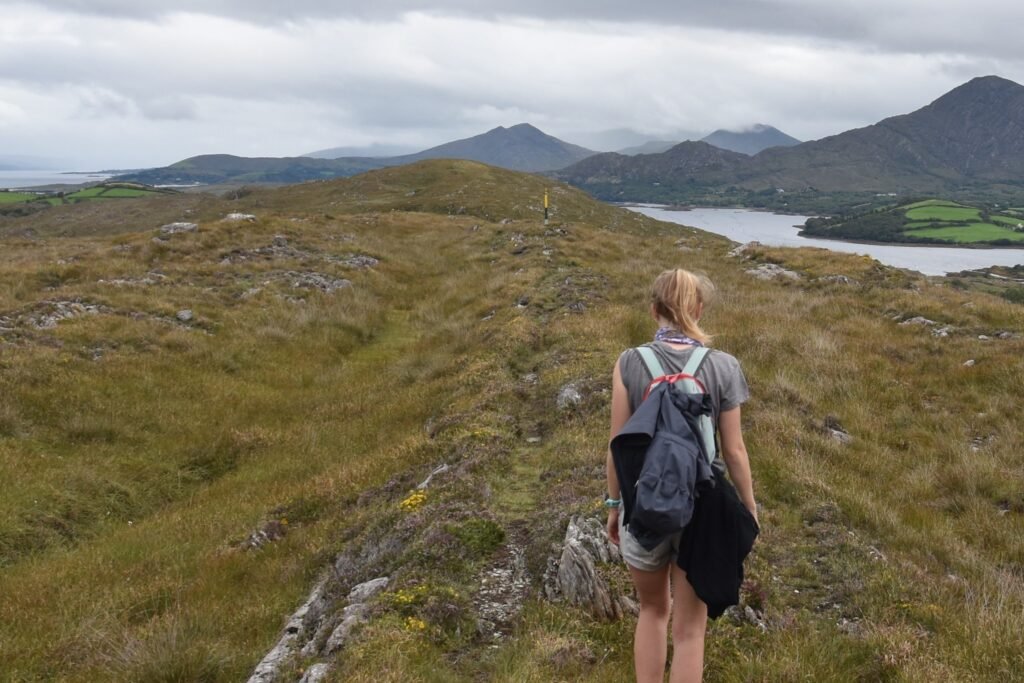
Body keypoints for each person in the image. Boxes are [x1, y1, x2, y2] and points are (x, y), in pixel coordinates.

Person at [605, 268, 758, 683]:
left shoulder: (630, 363)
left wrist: (614, 505)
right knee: (691, 631)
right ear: (699, 309)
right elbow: (735, 450)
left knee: (652, 611)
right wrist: (748, 509)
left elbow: (618, 444)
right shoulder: (724, 367)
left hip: (644, 503)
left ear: (653, 309)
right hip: (703, 507)